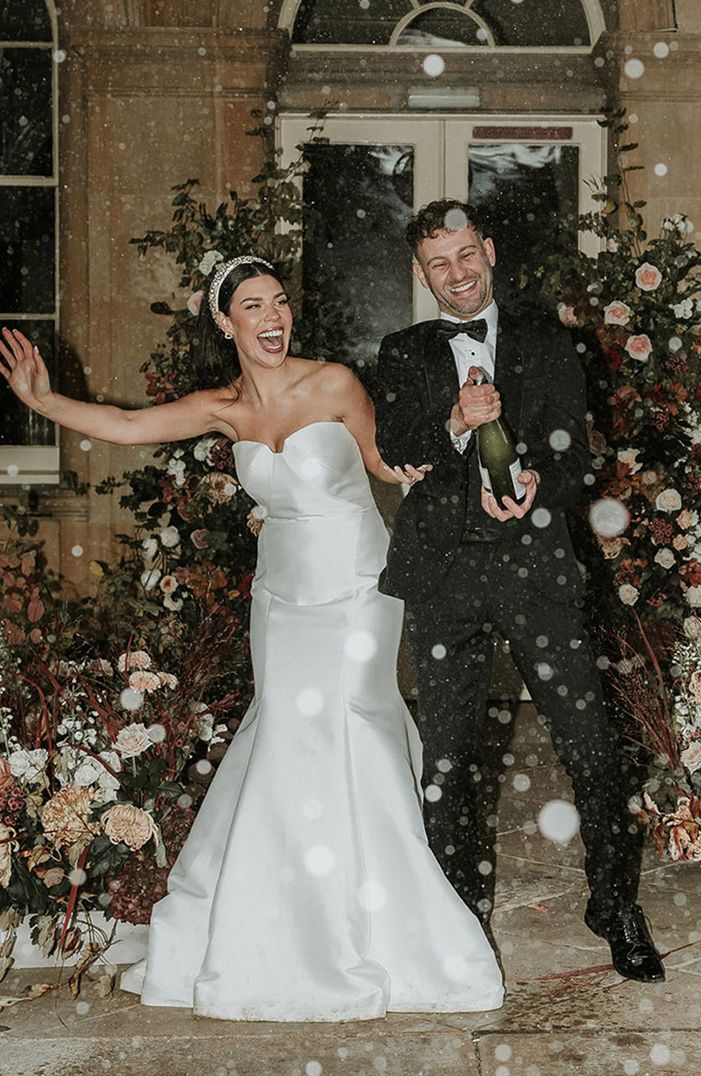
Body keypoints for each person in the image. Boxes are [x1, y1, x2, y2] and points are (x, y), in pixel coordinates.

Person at [0, 254, 504, 1021]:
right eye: (254, 307)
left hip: (359, 590)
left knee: (352, 734)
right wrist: (44, 401)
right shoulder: (224, 406)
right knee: (283, 745)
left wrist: (457, 426)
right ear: (225, 322)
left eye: (278, 303)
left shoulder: (333, 383)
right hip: (282, 601)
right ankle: (275, 924)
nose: (273, 319)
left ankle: (381, 929)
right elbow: (130, 426)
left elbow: (388, 464)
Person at [369, 200, 665, 983]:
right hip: (445, 579)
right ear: (420, 272)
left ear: (489, 251)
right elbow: (393, 447)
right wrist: (456, 424)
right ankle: (457, 922)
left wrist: (539, 483)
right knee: (449, 760)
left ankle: (614, 903)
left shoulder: (544, 340)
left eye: (466, 255)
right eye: (439, 263)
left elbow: (577, 458)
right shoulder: (401, 353)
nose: (457, 274)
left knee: (592, 746)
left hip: (537, 572)